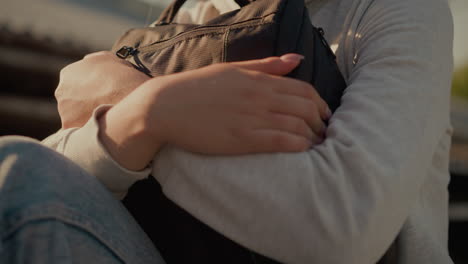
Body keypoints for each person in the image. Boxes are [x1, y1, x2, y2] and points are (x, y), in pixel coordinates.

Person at [0, 0, 454, 263]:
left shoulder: (396, 10)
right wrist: (138, 115)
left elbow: (345, 228)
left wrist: (145, 111)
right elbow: (57, 167)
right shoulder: (190, 12)